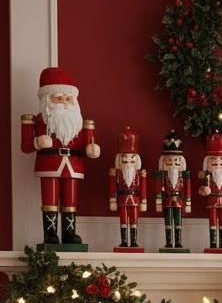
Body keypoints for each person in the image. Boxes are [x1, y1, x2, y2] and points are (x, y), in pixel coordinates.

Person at [20, 66, 101, 245]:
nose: (64, 102)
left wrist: (91, 149)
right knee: (49, 200)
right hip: (49, 163)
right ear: (46, 99)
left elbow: (87, 145)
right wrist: (37, 142)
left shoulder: (80, 122)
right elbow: (25, 146)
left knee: (70, 200)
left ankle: (69, 234)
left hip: (73, 164)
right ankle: (50, 235)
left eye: (68, 98)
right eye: (58, 98)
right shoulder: (37, 120)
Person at [107, 126, 147, 249]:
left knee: (134, 219)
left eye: (131, 158)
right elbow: (113, 187)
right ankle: (124, 241)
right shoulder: (116, 173)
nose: (128, 160)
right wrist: (112, 200)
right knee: (123, 220)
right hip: (122, 198)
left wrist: (144, 201)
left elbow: (143, 187)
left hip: (135, 199)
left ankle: (134, 241)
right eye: (125, 157)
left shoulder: (140, 174)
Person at [197, 130, 222, 251]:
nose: (218, 162)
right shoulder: (207, 176)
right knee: (213, 221)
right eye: (213, 160)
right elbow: (203, 189)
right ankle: (213, 243)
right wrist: (204, 189)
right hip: (212, 200)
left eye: (221, 160)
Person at [154, 131, 191, 250]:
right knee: (168, 221)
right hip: (167, 199)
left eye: (176, 161)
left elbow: (188, 187)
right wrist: (158, 201)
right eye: (169, 161)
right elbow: (158, 187)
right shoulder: (161, 175)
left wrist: (188, 201)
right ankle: (169, 242)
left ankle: (178, 242)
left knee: (178, 221)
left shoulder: (184, 175)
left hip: (179, 199)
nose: (173, 164)